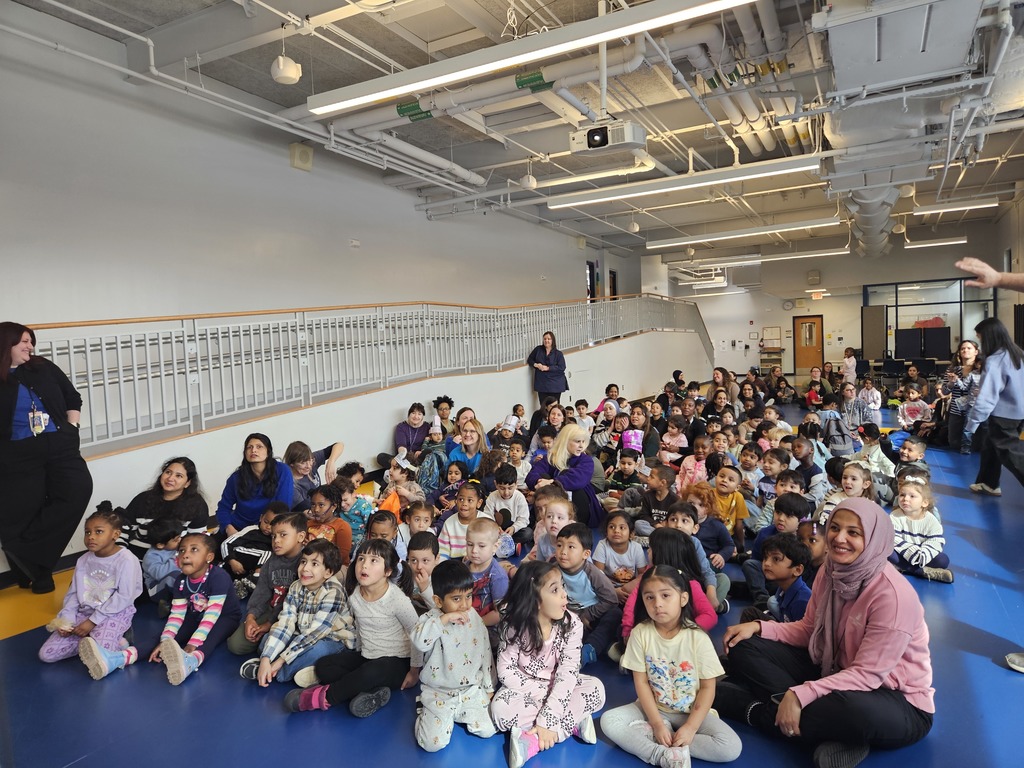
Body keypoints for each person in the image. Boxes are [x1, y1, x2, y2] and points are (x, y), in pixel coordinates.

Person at [715, 498, 934, 768]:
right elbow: (809, 629)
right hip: (833, 671)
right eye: (835, 528)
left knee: (854, 713)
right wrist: (760, 627)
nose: (839, 538)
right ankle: (834, 735)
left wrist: (799, 695)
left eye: (853, 532)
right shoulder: (831, 571)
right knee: (743, 645)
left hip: (892, 698)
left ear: (875, 538)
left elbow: (868, 674)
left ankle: (751, 709)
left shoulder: (893, 596)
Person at [602, 566, 741, 768]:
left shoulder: (698, 638)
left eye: (666, 595)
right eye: (649, 597)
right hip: (653, 708)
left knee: (730, 747)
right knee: (609, 721)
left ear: (683, 598)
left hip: (690, 712)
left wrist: (691, 728)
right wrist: (657, 723)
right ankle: (660, 754)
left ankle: (662, 739)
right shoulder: (640, 633)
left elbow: (708, 688)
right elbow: (640, 682)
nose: (657, 604)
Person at [0, 321, 93, 593]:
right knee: (23, 509)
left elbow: (72, 397)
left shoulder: (43, 367)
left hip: (59, 443)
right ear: (6, 345)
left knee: (78, 489)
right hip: (17, 453)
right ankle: (38, 572)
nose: (30, 346)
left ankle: (26, 552)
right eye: (23, 342)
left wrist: (71, 428)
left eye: (31, 341)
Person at [489, 560, 606, 768]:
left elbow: (568, 672)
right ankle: (572, 723)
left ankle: (532, 742)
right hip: (525, 689)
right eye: (555, 589)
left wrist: (549, 717)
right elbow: (505, 670)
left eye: (562, 585)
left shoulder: (572, 624)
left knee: (597, 690)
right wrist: (545, 698)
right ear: (535, 600)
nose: (564, 594)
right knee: (499, 711)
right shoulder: (513, 625)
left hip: (560, 686)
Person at [285, 539, 420, 717]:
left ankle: (324, 697)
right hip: (368, 656)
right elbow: (359, 629)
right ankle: (371, 693)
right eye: (361, 559)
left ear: (388, 571)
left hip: (397, 663)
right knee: (325, 666)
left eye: (374, 561)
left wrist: (414, 672)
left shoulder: (397, 599)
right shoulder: (356, 594)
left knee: (371, 671)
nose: (364, 565)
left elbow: (418, 634)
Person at [38, 505, 143, 679]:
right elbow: (73, 594)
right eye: (87, 532)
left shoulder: (126, 560)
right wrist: (67, 621)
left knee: (101, 657)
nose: (91, 537)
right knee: (46, 655)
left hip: (113, 614)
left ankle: (122, 645)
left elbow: (124, 597)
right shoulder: (83, 560)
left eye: (98, 531)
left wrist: (92, 622)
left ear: (115, 534)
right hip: (84, 613)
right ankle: (92, 640)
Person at [239, 539, 355, 686]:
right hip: (302, 633)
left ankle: (273, 673)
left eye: (314, 564)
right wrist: (266, 658)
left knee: (316, 652)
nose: (305, 568)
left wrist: (279, 660)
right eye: (303, 562)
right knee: (266, 640)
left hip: (332, 640)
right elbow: (285, 623)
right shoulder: (296, 586)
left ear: (328, 572)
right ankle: (297, 670)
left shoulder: (334, 592)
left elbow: (315, 633)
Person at [411, 559, 498, 752]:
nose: (465, 604)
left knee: (489, 729)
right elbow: (418, 642)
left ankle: (457, 714)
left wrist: (489, 687)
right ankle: (426, 712)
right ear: (438, 601)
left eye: (468, 596)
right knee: (432, 744)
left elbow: (485, 652)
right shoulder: (430, 620)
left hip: (470, 690)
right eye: (456, 599)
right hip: (438, 692)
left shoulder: (473, 616)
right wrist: (444, 619)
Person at [149, 533, 242, 685]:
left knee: (209, 639)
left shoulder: (219, 576)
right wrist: (166, 641)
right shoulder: (180, 580)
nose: (185, 555)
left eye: (194, 550)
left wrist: (193, 643)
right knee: (167, 638)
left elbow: (212, 614)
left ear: (209, 557)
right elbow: (177, 614)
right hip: (196, 614)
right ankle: (124, 656)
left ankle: (191, 662)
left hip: (225, 617)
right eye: (182, 551)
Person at [227, 512, 308, 656]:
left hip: (295, 618)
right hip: (272, 611)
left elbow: (300, 605)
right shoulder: (271, 562)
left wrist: (269, 624)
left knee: (267, 646)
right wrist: (251, 617)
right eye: (273, 536)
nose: (276, 540)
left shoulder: (307, 563)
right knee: (236, 645)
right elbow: (261, 592)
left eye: (283, 535)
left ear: (300, 537)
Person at [964, 317, 1024, 496]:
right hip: (1019, 413)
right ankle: (988, 483)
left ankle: (988, 483)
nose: (981, 343)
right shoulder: (1018, 354)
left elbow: (987, 397)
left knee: (1010, 454)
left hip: (1003, 414)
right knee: (990, 445)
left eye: (980, 338)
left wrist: (972, 423)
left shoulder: (995, 360)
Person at [119, 457, 211, 560]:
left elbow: (197, 541)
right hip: (136, 560)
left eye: (178, 476)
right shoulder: (142, 499)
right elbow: (123, 532)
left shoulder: (197, 505)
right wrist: (122, 559)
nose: (170, 478)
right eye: (168, 472)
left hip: (173, 565)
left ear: (187, 483)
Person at [216, 433, 294, 538]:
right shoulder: (236, 478)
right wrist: (229, 528)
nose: (253, 450)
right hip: (239, 529)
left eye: (259, 447)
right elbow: (223, 507)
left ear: (268, 451)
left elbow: (283, 507)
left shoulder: (282, 471)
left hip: (269, 528)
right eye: (249, 447)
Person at [527, 425, 602, 527]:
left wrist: (551, 482)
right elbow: (532, 475)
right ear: (565, 440)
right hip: (554, 502)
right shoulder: (550, 457)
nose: (581, 446)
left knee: (570, 481)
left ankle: (576, 526)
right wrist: (538, 482)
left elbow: (578, 479)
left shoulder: (586, 460)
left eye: (583, 442)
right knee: (543, 476)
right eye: (577, 441)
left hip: (579, 502)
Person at [890, 476, 953, 584]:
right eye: (902, 495)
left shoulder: (931, 520)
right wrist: (911, 552)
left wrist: (921, 554)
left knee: (943, 560)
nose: (905, 499)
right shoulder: (895, 516)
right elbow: (893, 538)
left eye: (912, 496)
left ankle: (902, 568)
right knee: (887, 552)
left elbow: (936, 541)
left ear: (924, 502)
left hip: (921, 554)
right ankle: (923, 572)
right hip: (903, 552)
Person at [942, 339, 982, 454]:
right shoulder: (952, 369)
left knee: (977, 444)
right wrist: (951, 383)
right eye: (962, 348)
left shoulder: (981, 369)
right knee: (954, 443)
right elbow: (944, 392)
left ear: (976, 351)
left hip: (976, 409)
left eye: (969, 348)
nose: (965, 350)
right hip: (957, 409)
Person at [283, 439, 345, 511]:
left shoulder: (311, 461)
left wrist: (331, 462)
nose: (309, 466)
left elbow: (339, 445)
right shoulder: (292, 486)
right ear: (292, 464)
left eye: (310, 460)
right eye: (303, 463)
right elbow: (308, 512)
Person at [526, 331, 568, 407]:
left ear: (553, 340)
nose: (546, 340)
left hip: (555, 384)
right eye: (545, 339)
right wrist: (536, 365)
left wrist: (548, 368)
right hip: (542, 383)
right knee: (543, 405)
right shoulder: (538, 349)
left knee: (554, 405)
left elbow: (562, 367)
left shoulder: (558, 353)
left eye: (549, 339)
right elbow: (530, 359)